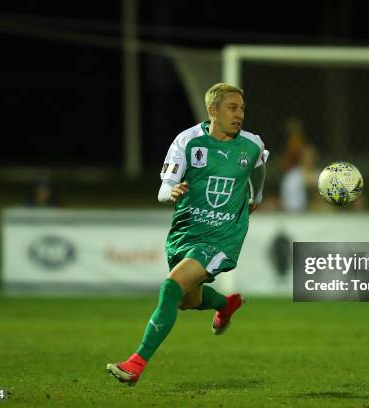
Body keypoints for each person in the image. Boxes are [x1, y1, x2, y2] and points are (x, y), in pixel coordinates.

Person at [106, 83, 268, 386]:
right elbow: (163, 189)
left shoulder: (251, 144)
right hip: (185, 233)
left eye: (242, 108)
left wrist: (256, 195)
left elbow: (258, 168)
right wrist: (173, 192)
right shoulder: (187, 142)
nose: (240, 115)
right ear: (213, 111)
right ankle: (225, 304)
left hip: (222, 237)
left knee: (170, 288)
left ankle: (135, 363)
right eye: (233, 108)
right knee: (186, 301)